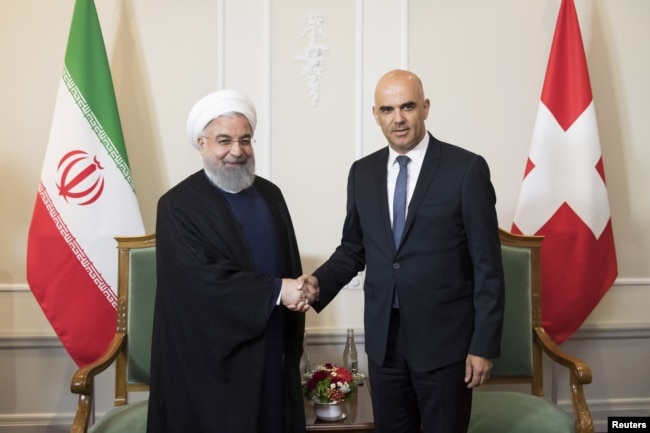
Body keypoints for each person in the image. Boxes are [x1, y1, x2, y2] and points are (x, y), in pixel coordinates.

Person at [305, 70, 505, 433]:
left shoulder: (465, 170)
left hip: (446, 345)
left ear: (425, 108)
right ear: (375, 115)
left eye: (408, 106)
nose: (398, 118)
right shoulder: (362, 173)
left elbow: (487, 265)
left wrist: (484, 345)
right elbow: (353, 248)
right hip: (385, 343)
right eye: (387, 109)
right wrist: (316, 284)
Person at [146, 90, 318, 433]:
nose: (237, 151)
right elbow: (201, 282)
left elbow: (287, 264)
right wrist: (277, 291)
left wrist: (301, 288)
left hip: (271, 348)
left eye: (245, 140)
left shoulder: (271, 194)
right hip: (210, 364)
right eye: (224, 140)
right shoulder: (177, 205)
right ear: (202, 143)